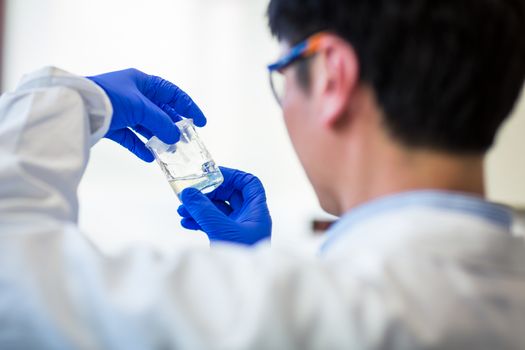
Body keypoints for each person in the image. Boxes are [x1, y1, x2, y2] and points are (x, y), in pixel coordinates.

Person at [1, 0, 525, 348]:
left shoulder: (301, 311)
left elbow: (13, 275)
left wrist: (67, 99)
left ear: (332, 78)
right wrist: (245, 267)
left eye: (282, 77)